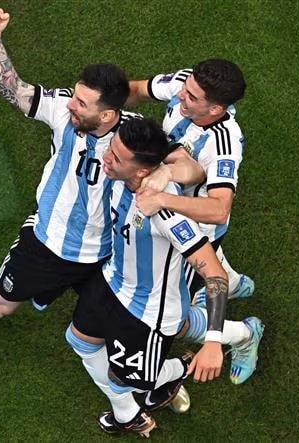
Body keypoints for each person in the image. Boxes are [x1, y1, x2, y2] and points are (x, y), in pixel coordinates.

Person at [0, 8, 137, 349]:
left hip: (106, 250)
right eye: (74, 96)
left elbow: (177, 161)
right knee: (0, 306)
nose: (71, 105)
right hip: (48, 241)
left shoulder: (135, 136)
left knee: (117, 321)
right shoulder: (62, 109)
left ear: (107, 114)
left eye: (82, 103)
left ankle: (174, 361)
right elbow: (13, 89)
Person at [66, 117, 239, 437]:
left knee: (128, 380)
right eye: (111, 149)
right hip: (112, 281)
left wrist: (213, 343)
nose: (106, 158)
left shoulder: (166, 214)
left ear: (142, 171)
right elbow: (187, 166)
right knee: (79, 340)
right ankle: (128, 413)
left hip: (147, 313)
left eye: (116, 158)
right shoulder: (123, 173)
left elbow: (214, 273)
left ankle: (183, 366)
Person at [127, 61, 255, 305]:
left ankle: (242, 327)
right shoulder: (185, 83)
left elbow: (219, 210)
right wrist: (100, 105)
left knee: (164, 303)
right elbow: (136, 90)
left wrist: (162, 199)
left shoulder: (223, 145)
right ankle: (234, 284)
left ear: (215, 109)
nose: (180, 95)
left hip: (194, 227)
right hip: (169, 196)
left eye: (192, 97)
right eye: (186, 88)